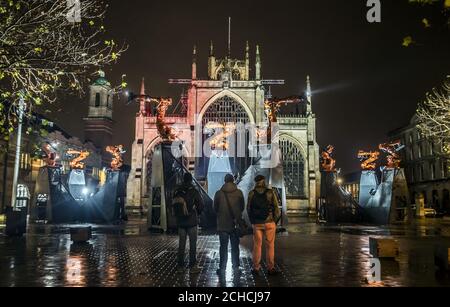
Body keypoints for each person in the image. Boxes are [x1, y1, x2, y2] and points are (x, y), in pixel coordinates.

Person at [247, 175, 281, 276]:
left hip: (257, 223)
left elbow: (248, 209)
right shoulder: (270, 192)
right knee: (270, 246)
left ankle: (256, 268)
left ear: (256, 182)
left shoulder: (252, 193)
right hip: (269, 222)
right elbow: (277, 209)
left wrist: (252, 221)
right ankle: (270, 268)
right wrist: (274, 221)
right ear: (264, 181)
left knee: (257, 246)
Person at [214, 174, 245, 276]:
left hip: (222, 224)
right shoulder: (239, 193)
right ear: (233, 181)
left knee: (223, 247)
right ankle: (236, 266)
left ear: (224, 181)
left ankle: (222, 267)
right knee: (235, 247)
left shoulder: (218, 193)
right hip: (235, 224)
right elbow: (242, 207)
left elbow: (215, 208)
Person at [174, 173, 204, 274]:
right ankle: (192, 266)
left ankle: (180, 266)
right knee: (192, 244)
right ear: (191, 180)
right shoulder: (194, 191)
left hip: (181, 222)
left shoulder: (177, 191)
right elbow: (201, 204)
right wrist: (197, 213)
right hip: (191, 221)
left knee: (181, 245)